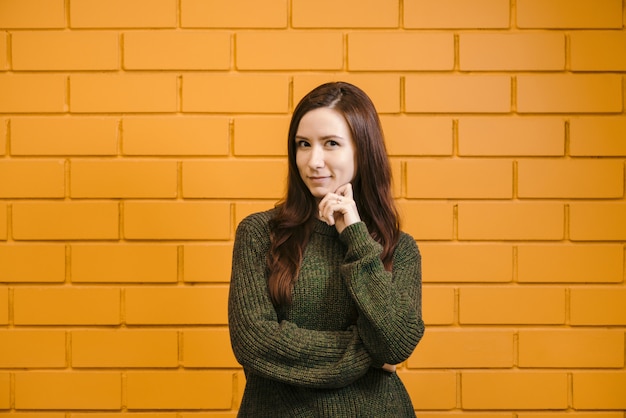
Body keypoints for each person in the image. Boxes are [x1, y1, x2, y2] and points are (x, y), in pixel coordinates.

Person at [228, 81, 425, 417]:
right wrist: (368, 356)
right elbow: (254, 341)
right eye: (303, 144)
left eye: (331, 144)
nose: (313, 160)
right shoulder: (260, 233)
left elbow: (396, 343)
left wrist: (355, 236)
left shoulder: (398, 247)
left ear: (363, 150)